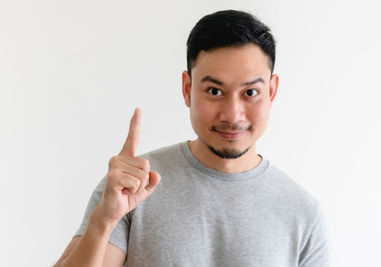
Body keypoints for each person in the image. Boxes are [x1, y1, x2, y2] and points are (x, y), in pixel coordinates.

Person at [54, 9, 329, 267]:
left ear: (271, 91)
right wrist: (103, 220)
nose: (232, 115)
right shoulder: (133, 186)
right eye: (214, 91)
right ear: (187, 89)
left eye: (250, 93)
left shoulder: (303, 213)